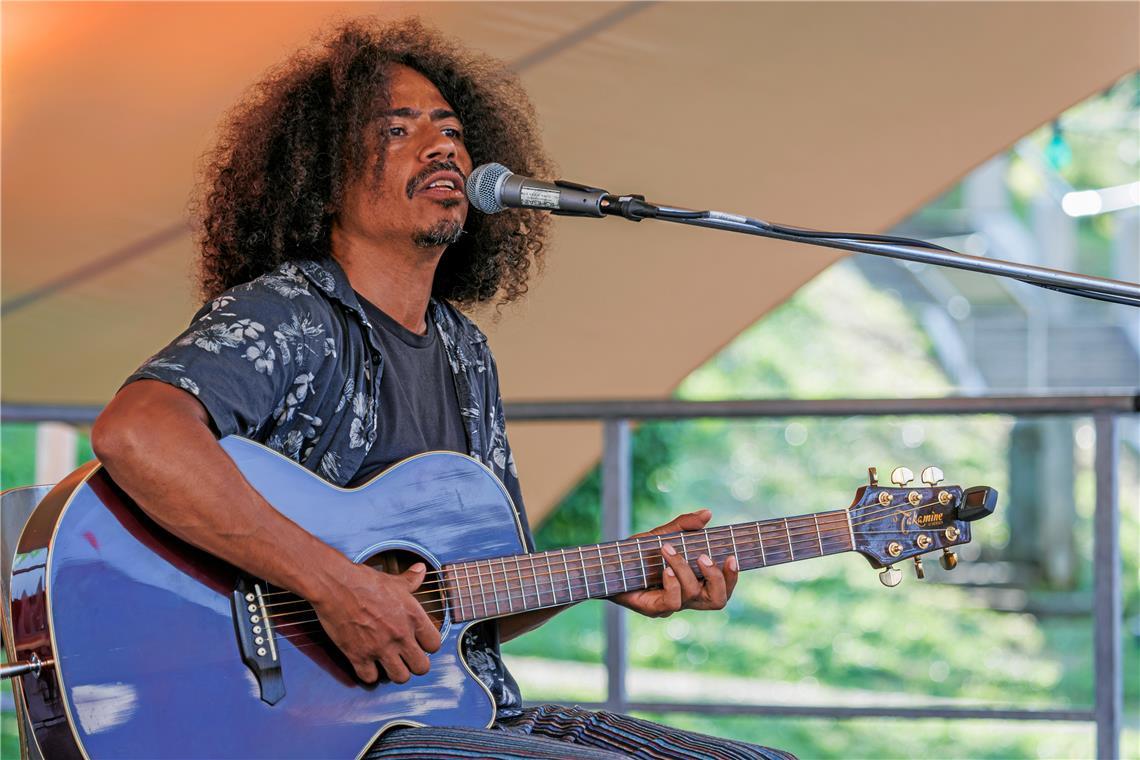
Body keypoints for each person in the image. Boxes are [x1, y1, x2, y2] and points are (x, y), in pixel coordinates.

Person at [91, 17, 794, 760]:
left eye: (452, 130)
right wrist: (336, 585)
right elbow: (137, 432)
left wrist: (616, 568)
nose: (442, 147)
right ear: (320, 177)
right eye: (397, 130)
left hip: (466, 713)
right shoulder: (289, 312)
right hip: (321, 735)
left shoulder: (465, 352)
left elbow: (462, 605)